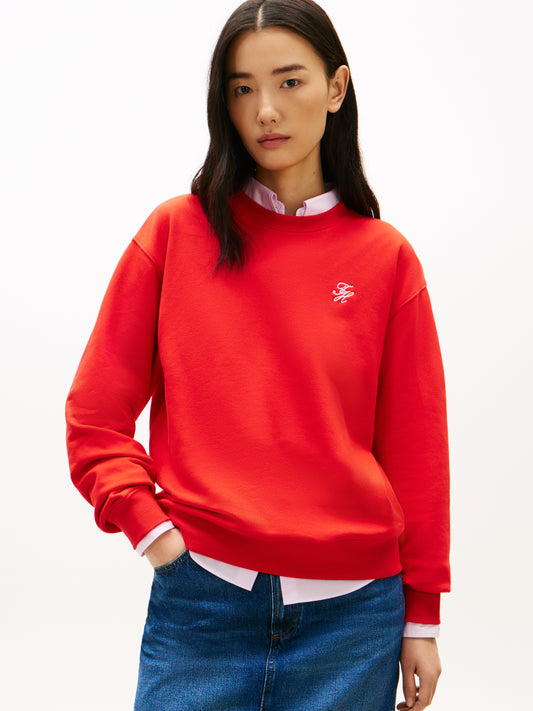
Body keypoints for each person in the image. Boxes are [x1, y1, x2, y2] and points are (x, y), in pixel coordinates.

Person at [65, 1, 450, 709]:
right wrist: (153, 533)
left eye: (289, 81)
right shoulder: (175, 234)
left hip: (355, 620)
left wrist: (421, 615)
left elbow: (416, 451)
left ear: (336, 88)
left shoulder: (385, 259)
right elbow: (94, 418)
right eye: (242, 88)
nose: (265, 110)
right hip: (203, 602)